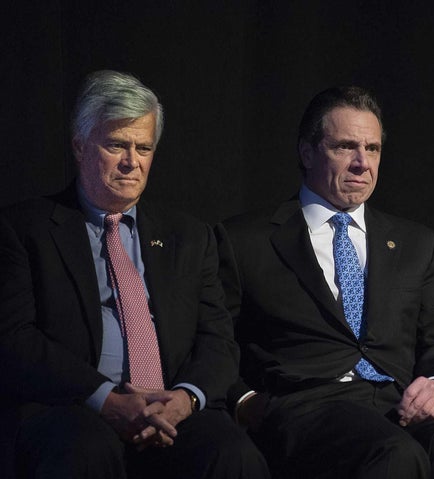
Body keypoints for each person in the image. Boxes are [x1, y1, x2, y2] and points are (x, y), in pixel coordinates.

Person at [0, 70, 269, 479]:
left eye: (143, 148)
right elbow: (14, 340)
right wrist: (105, 399)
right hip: (72, 407)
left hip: (172, 409)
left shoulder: (190, 236)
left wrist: (185, 400)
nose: (132, 162)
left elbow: (218, 340)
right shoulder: (24, 230)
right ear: (79, 146)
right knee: (83, 453)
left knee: (235, 456)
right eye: (116, 145)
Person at [215, 86, 434, 478]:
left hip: (396, 399)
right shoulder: (245, 240)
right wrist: (244, 401)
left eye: (373, 148)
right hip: (306, 404)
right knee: (394, 454)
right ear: (307, 152)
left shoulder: (418, 243)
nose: (363, 163)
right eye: (345, 147)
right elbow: (214, 340)